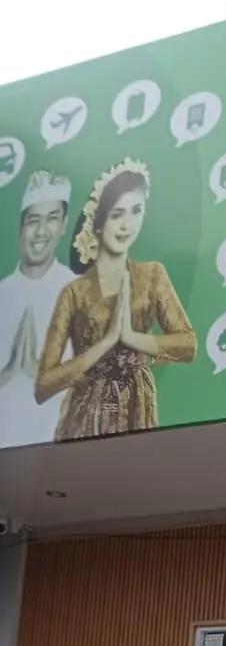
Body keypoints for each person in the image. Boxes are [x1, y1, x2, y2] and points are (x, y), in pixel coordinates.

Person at [35, 159, 196, 440]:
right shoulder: (74, 293)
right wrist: (107, 342)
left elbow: (188, 345)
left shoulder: (153, 275)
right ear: (98, 222)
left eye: (136, 211)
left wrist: (132, 337)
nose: (127, 225)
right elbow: (44, 385)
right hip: (85, 417)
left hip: (137, 407)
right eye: (117, 214)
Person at [0, 171, 74, 448]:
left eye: (52, 218)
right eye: (33, 220)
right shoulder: (3, 293)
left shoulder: (79, 293)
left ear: (64, 224)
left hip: (62, 455)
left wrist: (40, 374)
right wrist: (9, 372)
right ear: (20, 227)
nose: (41, 231)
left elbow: (96, 388)